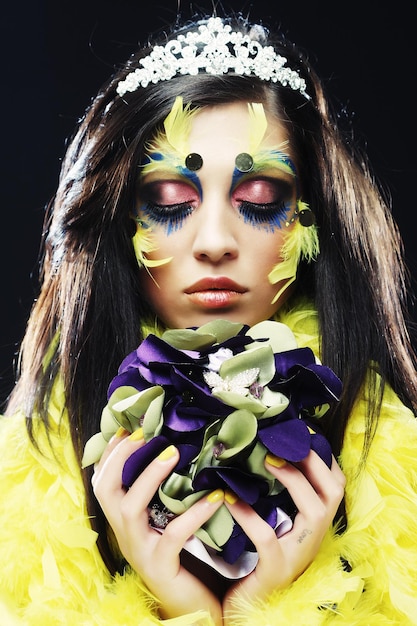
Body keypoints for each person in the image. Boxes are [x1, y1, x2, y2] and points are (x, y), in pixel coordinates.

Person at [1, 11, 417, 625]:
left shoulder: (400, 464)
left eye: (258, 199)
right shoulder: (22, 479)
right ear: (118, 217)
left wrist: (258, 610)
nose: (215, 240)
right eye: (168, 201)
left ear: (314, 217)